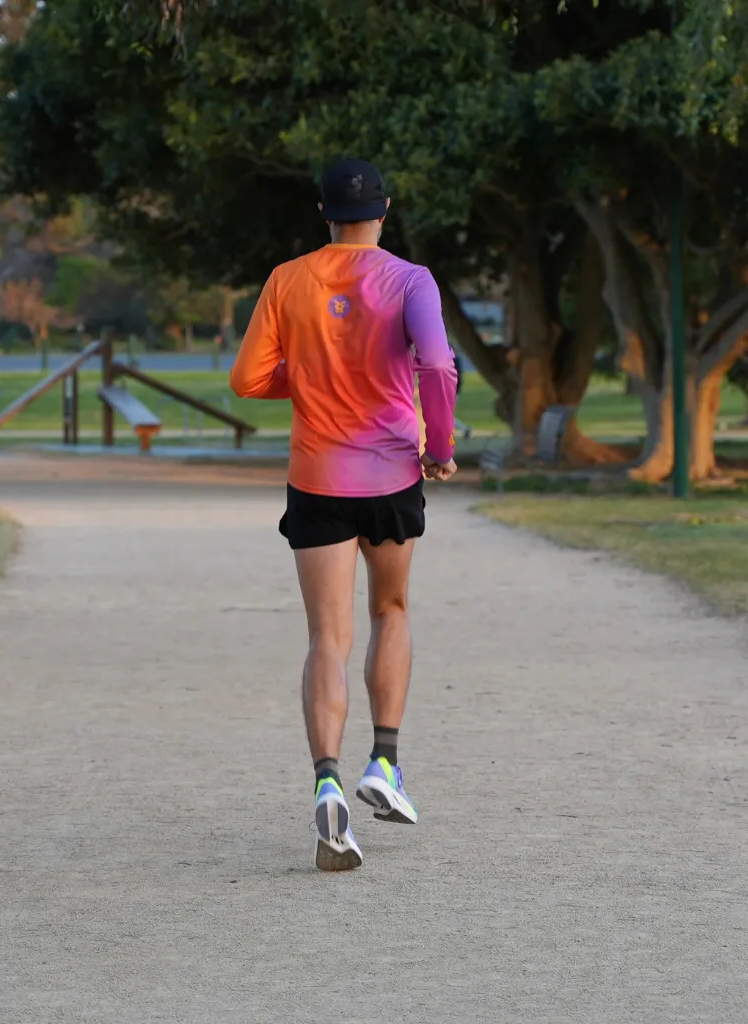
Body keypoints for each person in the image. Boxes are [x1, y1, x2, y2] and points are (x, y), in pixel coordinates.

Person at [229, 158, 458, 871]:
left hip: (319, 477)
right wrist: (440, 446)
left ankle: (326, 779)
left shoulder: (286, 280)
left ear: (323, 214)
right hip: (392, 472)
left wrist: (312, 375)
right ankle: (383, 764)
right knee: (391, 610)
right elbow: (438, 367)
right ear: (383, 211)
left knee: (326, 636)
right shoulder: (411, 279)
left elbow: (247, 378)